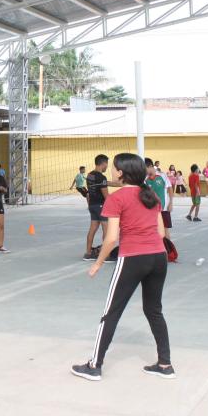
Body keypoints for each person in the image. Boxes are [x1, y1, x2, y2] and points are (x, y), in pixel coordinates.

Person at [70, 153, 173, 382]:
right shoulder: (151, 196)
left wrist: (97, 263)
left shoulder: (116, 199)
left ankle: (94, 365)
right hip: (158, 257)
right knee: (154, 310)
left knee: (111, 312)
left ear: (120, 172)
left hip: (133, 258)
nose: (112, 171)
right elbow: (160, 232)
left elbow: (111, 238)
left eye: (114, 168)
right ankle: (165, 364)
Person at [83, 154, 110, 260]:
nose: (107, 167)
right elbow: (106, 196)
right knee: (106, 230)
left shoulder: (89, 175)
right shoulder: (102, 177)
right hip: (101, 206)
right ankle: (106, 256)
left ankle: (88, 253)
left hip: (92, 205)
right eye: (106, 164)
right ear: (103, 163)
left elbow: (91, 191)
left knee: (92, 229)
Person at [145, 158, 173, 239]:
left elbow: (170, 188)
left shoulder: (162, 175)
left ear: (150, 166)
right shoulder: (145, 179)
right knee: (154, 230)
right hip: (152, 209)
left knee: (165, 229)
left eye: (144, 169)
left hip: (164, 208)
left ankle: (168, 249)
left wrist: (171, 203)